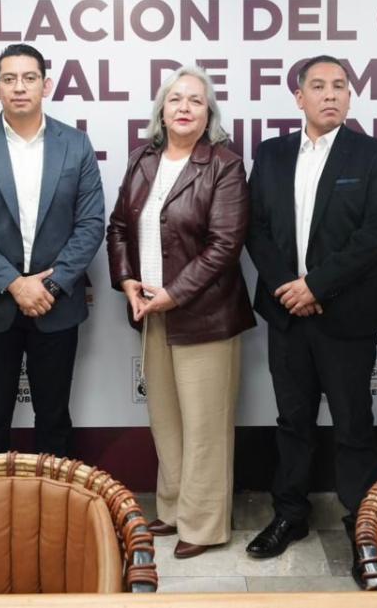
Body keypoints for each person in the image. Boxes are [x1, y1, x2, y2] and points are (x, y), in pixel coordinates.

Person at [245, 54, 377, 578]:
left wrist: (315, 285)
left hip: (347, 313)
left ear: (350, 96)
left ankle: (364, 528)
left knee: (354, 424)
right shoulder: (271, 154)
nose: (330, 94)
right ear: (299, 97)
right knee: (292, 421)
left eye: (339, 86)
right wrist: (288, 289)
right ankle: (290, 514)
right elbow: (254, 228)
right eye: (318, 86)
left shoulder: (373, 154)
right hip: (287, 313)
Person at [106, 67, 255, 559]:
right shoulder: (142, 159)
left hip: (205, 316)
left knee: (206, 426)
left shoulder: (224, 166)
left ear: (208, 113)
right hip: (151, 311)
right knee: (166, 420)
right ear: (162, 111)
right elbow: (118, 228)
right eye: (175, 99)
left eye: (195, 100)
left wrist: (173, 293)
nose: (185, 107)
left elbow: (224, 245)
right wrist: (127, 281)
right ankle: (172, 509)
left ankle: (205, 524)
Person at [0, 43, 104, 456]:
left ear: (45, 86)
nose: (19, 87)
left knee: (54, 419)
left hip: (56, 302)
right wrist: (15, 284)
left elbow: (90, 224)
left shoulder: (76, 144)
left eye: (29, 78)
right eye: (9, 79)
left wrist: (49, 286)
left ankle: (53, 498)